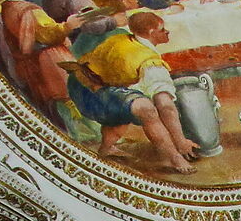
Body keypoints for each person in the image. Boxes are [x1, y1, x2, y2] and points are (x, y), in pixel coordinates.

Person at [63, 10, 200, 174]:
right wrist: (181, 141)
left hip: (79, 86)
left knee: (127, 103)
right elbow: (166, 106)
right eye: (162, 29)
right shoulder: (149, 61)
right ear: (151, 33)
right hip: (92, 91)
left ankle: (106, 148)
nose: (167, 32)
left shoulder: (122, 37)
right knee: (144, 108)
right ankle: (174, 158)